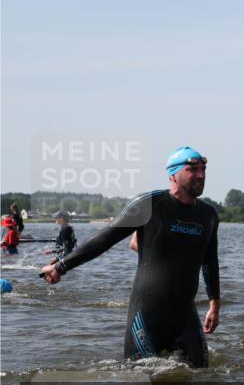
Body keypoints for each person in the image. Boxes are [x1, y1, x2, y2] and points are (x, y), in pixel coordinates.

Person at [40, 146, 221, 366]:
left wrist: (214, 304)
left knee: (201, 378)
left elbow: (210, 260)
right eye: (193, 169)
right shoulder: (150, 204)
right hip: (147, 314)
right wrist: (60, 267)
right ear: (173, 174)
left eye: (203, 169)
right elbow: (104, 239)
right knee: (139, 381)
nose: (201, 175)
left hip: (185, 315)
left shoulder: (208, 215)